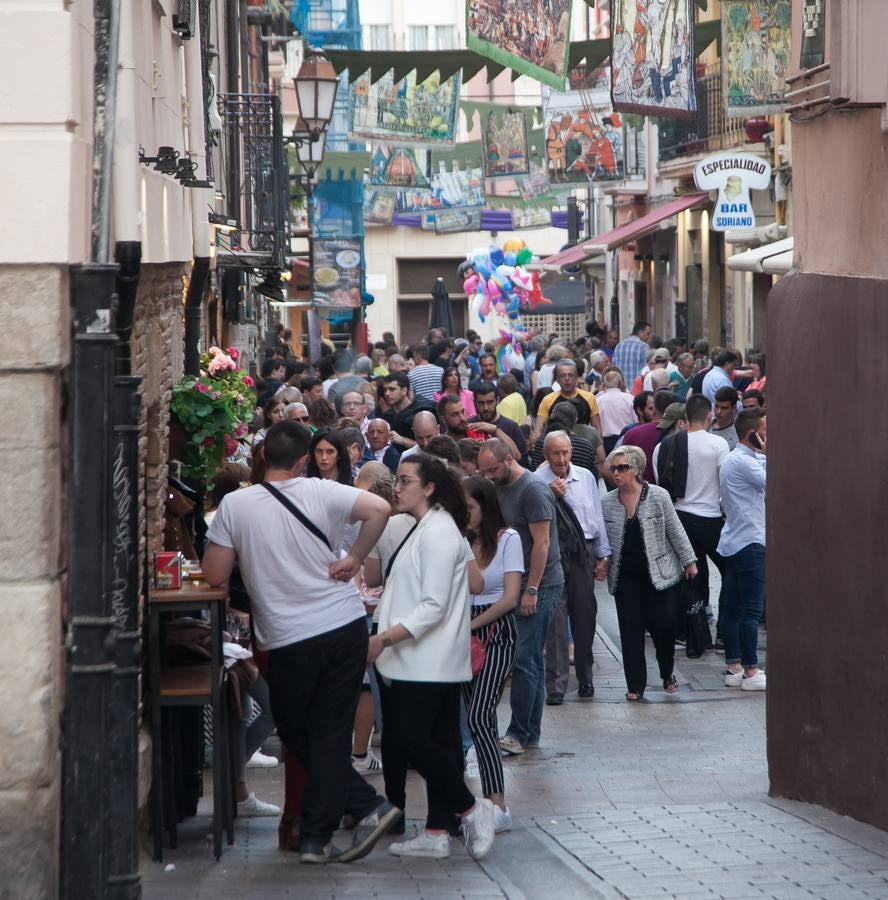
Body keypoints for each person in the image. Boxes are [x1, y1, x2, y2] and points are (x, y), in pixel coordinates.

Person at [202, 420, 400, 864]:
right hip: (342, 624)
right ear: (303, 460)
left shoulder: (236, 505)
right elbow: (380, 508)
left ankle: (346, 817)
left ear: (263, 455)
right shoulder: (321, 491)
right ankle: (323, 832)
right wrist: (353, 558)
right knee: (320, 732)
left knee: (300, 730)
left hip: (290, 636)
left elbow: (214, 574)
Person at [370, 454, 496, 861]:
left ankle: (472, 809)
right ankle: (437, 831)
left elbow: (434, 605)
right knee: (436, 743)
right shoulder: (431, 527)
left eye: (405, 481)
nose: (397, 487)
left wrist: (384, 638)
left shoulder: (439, 531)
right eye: (397, 480)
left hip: (426, 659)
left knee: (412, 740)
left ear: (429, 488)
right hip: (425, 658)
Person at [477, 439, 563, 755]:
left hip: (540, 584)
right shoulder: (498, 487)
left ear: (510, 460)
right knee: (529, 661)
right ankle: (529, 733)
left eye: (493, 470)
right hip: (516, 584)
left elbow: (542, 544)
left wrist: (532, 590)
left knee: (525, 659)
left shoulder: (533, 490)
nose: (489, 476)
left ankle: (518, 732)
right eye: (484, 472)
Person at [601, 445, 697, 701]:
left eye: (622, 468)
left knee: (663, 627)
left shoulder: (658, 496)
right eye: (613, 468)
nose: (616, 473)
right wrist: (602, 561)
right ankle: (635, 685)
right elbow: (603, 540)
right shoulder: (607, 502)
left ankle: (667, 673)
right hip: (625, 577)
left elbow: (675, 530)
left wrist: (689, 561)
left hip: (660, 574)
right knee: (630, 631)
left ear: (636, 469)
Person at [462, 476, 522, 832]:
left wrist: (471, 626)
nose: (464, 513)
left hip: (496, 632)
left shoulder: (508, 539)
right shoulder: (459, 540)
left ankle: (497, 803)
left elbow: (510, 597)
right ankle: (487, 801)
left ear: (485, 507)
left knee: (479, 716)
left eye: (469, 507)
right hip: (461, 632)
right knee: (479, 718)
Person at [536, 431, 610, 703]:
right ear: (546, 455)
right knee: (555, 618)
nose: (561, 459)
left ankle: (585, 676)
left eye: (565, 452)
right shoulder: (537, 480)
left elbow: (596, 516)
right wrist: (550, 495)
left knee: (585, 613)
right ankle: (556, 686)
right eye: (555, 453)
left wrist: (604, 553)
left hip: (583, 552)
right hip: (553, 554)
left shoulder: (585, 476)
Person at [653, 394, 729, 640]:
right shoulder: (718, 445)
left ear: (685, 418)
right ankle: (722, 629)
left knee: (690, 571)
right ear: (709, 416)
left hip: (679, 517)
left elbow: (660, 485)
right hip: (711, 518)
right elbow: (725, 483)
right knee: (729, 570)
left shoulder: (663, 446)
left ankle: (688, 628)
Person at [718, 408, 767, 691]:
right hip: (750, 542)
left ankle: (734, 666)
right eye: (765, 431)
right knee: (751, 610)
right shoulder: (744, 462)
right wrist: (768, 451)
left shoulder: (734, 458)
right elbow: (772, 480)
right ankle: (750, 669)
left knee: (733, 609)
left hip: (734, 541)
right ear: (753, 434)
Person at [531, 359, 602, 447]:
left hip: (584, 448)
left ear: (577, 378)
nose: (567, 379)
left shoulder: (589, 398)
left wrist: (598, 447)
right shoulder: (548, 400)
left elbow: (597, 428)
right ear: (557, 379)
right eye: (562, 376)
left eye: (571, 375)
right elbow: (538, 430)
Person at [618, 390, 680, 481]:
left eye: (651, 408)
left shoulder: (632, 434)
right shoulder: (683, 434)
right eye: (650, 408)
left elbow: (618, 466)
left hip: (641, 487)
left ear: (655, 409)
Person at [470, 383, 527, 463]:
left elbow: (520, 459)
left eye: (490, 402)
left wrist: (496, 430)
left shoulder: (511, 427)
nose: (486, 408)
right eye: (481, 403)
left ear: (498, 401)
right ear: (475, 403)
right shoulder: (470, 426)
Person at [381, 371, 436, 449]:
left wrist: (402, 440)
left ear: (404, 391)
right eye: (385, 390)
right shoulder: (387, 416)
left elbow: (430, 447)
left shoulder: (421, 412)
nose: (387, 393)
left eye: (392, 389)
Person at [596, 370, 637, 453]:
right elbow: (637, 420)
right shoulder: (629, 399)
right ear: (620, 383)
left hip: (606, 442)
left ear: (604, 384)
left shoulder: (597, 400)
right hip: (626, 440)